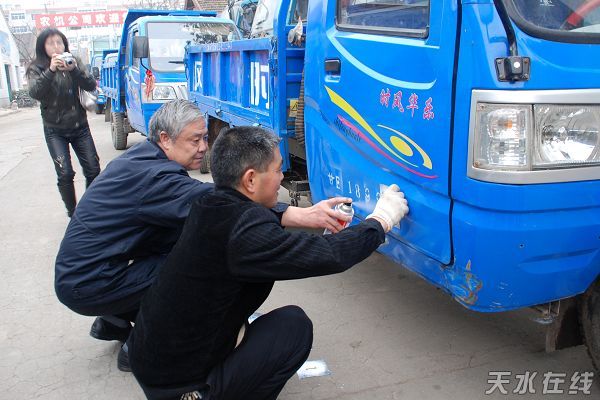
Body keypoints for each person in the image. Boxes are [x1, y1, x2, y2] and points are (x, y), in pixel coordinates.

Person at [54, 100, 355, 365]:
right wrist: (307, 215)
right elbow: (220, 207)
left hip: (84, 274)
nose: (203, 148)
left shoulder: (142, 160)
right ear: (165, 139)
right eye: (195, 139)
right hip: (90, 282)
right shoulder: (157, 178)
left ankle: (112, 321)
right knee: (188, 271)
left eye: (204, 138)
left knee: (181, 237)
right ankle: (137, 349)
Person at [127, 126, 409, 400]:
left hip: (152, 358)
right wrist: (380, 221)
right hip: (176, 385)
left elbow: (249, 222)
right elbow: (328, 254)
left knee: (256, 321)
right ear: (250, 179)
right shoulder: (245, 233)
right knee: (292, 328)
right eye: (277, 169)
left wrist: (304, 215)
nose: (283, 174)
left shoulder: (211, 203)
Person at [27, 28, 101, 217]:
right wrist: (51, 70)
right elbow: (36, 93)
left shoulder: (73, 61)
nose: (56, 46)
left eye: (59, 42)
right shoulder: (37, 67)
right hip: (55, 130)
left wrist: (74, 69)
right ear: (43, 47)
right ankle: (73, 213)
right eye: (51, 43)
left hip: (80, 126)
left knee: (93, 169)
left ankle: (89, 210)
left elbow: (91, 85)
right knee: (65, 173)